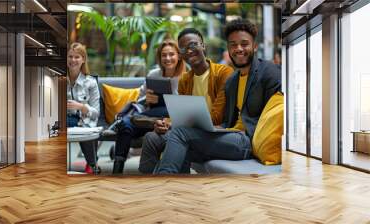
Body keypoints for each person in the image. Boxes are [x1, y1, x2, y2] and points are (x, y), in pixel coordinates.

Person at [153, 19, 281, 174]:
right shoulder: (233, 80)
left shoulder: (267, 71)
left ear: (254, 46)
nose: (238, 49)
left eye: (244, 43)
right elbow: (227, 118)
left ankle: (161, 186)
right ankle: (177, 191)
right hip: (231, 133)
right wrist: (217, 128)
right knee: (175, 148)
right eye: (233, 45)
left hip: (247, 141)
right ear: (228, 49)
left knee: (180, 133)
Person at [138, 28, 234, 174]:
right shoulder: (185, 79)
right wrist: (166, 122)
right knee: (151, 137)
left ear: (203, 46)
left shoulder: (223, 73)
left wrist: (181, 123)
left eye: (193, 45)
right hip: (188, 131)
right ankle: (146, 183)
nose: (189, 51)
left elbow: (218, 117)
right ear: (181, 55)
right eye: (184, 49)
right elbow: (181, 114)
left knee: (179, 138)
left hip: (215, 133)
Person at [112, 39, 185, 174]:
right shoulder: (153, 75)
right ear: (159, 57)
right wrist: (147, 100)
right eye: (164, 55)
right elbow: (140, 99)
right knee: (125, 124)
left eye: (171, 54)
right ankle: (117, 168)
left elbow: (187, 106)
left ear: (179, 56)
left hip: (170, 119)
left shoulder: (186, 76)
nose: (167, 58)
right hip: (149, 118)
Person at [67, 42, 101, 174]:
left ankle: (92, 165)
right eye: (70, 56)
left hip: (83, 120)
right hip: (65, 118)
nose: (73, 60)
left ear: (83, 60)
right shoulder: (59, 79)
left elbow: (96, 113)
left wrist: (81, 107)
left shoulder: (91, 82)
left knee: (86, 130)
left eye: (77, 57)